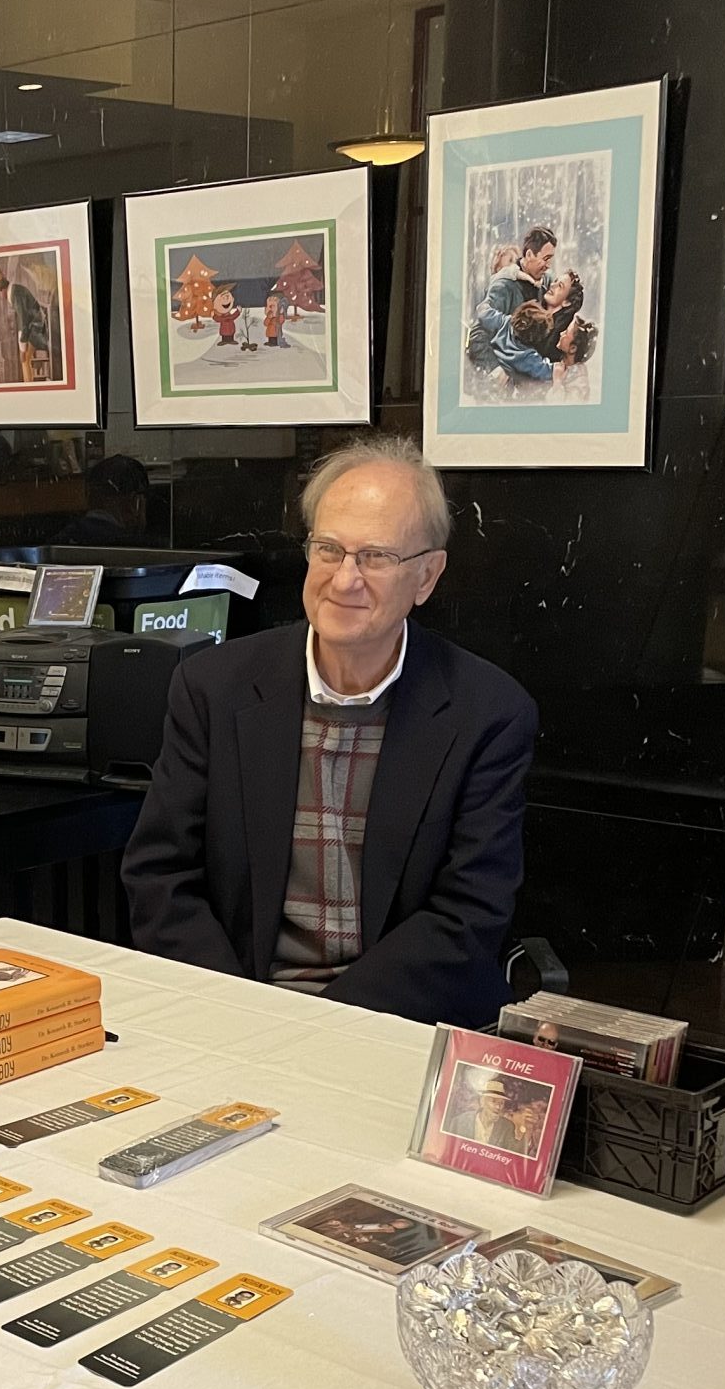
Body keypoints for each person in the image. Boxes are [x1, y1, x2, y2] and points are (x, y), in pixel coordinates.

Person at [122, 435, 538, 1028]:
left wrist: (322, 1032)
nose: (344, 580)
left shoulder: (487, 713)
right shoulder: (214, 687)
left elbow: (468, 917)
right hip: (235, 1008)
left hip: (396, 1022)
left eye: (374, 557)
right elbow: (161, 876)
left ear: (426, 576)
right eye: (329, 550)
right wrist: (240, 1015)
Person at [465, 225, 556, 364]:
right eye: (546, 258)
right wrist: (496, 370)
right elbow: (477, 337)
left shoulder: (549, 282)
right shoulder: (504, 285)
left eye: (551, 259)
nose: (549, 265)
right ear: (529, 254)